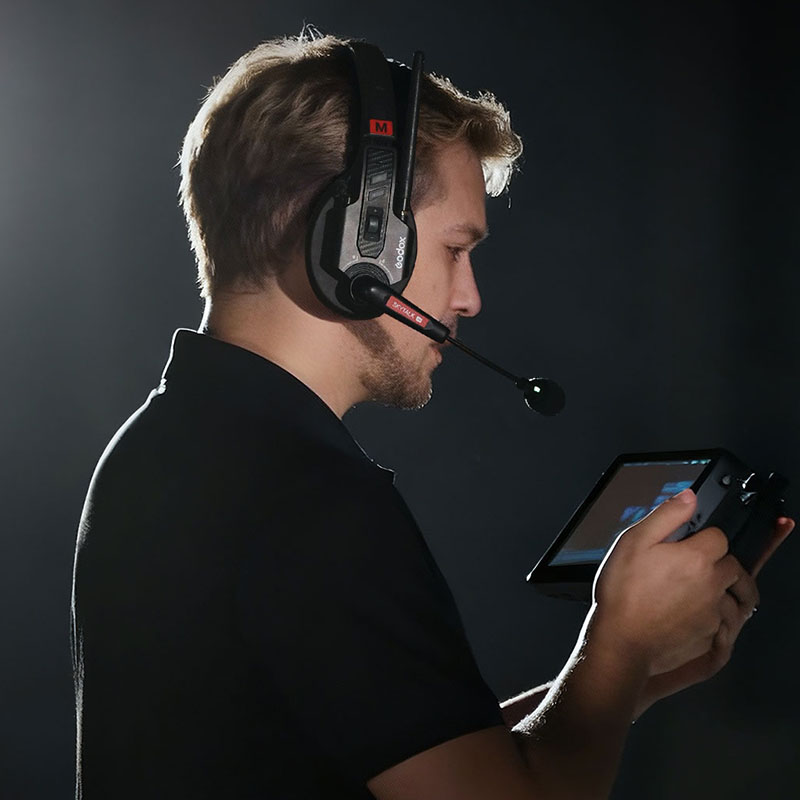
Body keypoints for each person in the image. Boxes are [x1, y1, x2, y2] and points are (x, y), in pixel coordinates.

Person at [70, 32, 793, 799]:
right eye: (455, 249)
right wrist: (614, 653)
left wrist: (628, 676)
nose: (469, 297)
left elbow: (423, 763)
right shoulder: (310, 499)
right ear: (357, 243)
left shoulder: (163, 445)